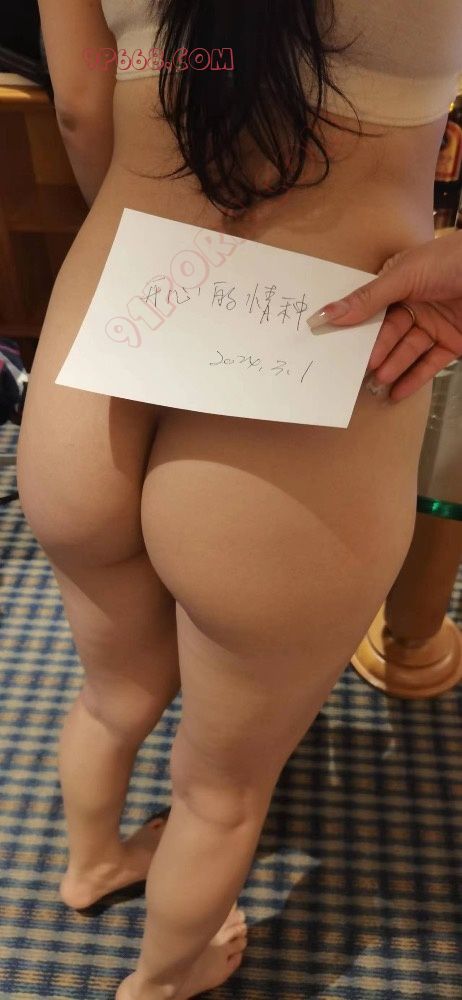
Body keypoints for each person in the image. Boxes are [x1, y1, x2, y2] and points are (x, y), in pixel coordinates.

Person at [15, 2, 462, 998]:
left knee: (112, 693)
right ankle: (162, 981)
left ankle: (93, 863)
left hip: (109, 336)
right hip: (318, 371)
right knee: (220, 790)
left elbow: (82, 106)